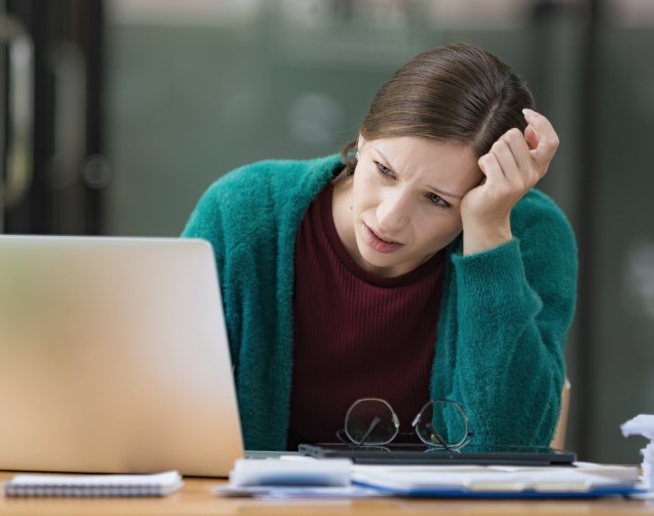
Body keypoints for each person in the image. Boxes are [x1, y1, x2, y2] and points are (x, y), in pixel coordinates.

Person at [182, 42, 577, 452]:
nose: (389, 218)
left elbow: (505, 449)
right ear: (362, 139)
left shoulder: (527, 233)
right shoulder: (242, 212)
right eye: (384, 170)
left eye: (437, 200)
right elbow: (162, 404)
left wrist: (490, 233)